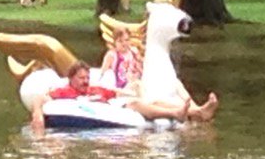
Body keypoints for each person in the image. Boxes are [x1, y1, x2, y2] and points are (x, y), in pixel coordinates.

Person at [30, 61, 190, 134]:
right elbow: (40, 97)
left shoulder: (95, 90)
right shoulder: (65, 93)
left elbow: (116, 93)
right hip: (106, 115)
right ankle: (177, 113)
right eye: (81, 78)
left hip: (116, 111)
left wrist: (135, 90)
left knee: (149, 102)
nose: (85, 81)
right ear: (71, 79)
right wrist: (37, 113)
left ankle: (193, 113)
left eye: (87, 77)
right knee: (136, 104)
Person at [100, 27, 143, 92]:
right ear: (115, 42)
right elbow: (103, 74)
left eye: (127, 40)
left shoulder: (134, 52)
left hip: (137, 84)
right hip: (121, 89)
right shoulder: (112, 55)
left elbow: (142, 69)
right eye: (120, 41)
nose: (124, 44)